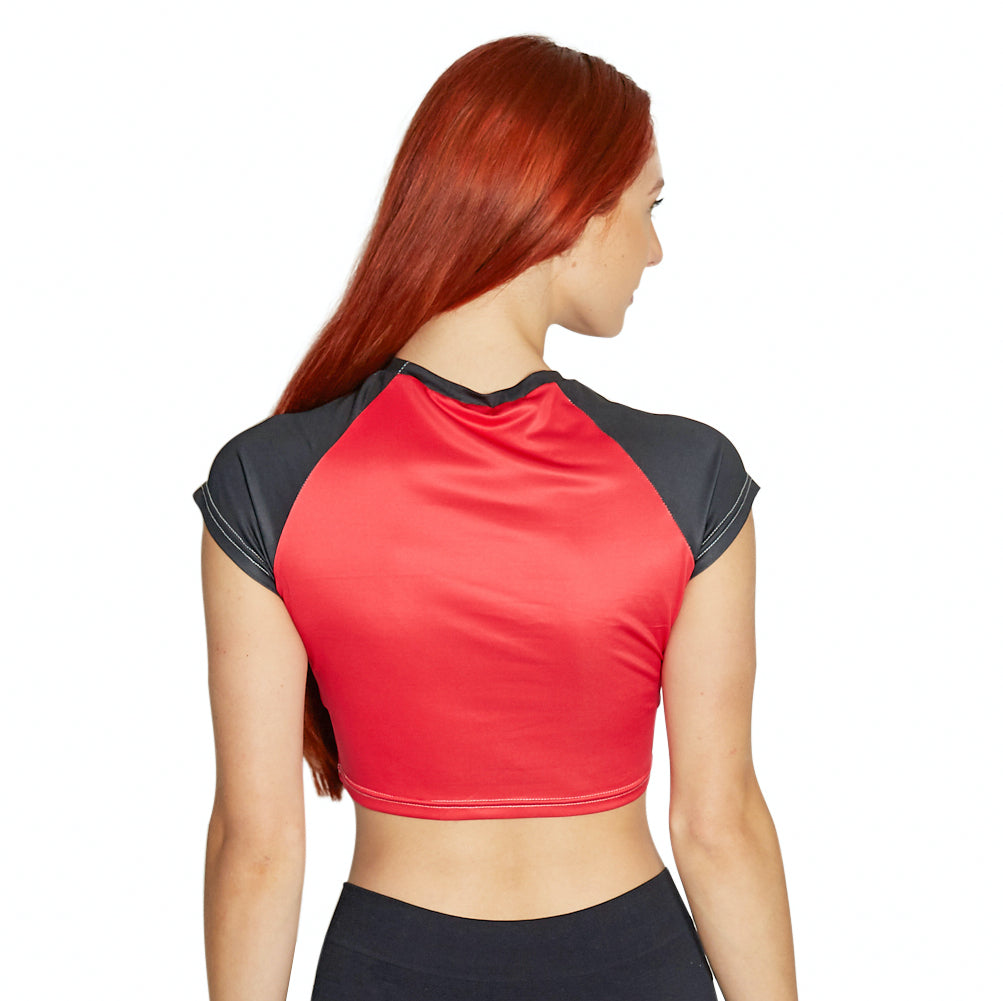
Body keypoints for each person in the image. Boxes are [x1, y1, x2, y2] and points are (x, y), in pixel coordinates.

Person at [194, 34, 797, 1001]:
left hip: (389, 969)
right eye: (649, 207)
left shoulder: (270, 479)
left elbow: (257, 847)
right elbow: (716, 825)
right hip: (634, 967)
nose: (654, 249)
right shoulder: (687, 477)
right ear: (569, 210)